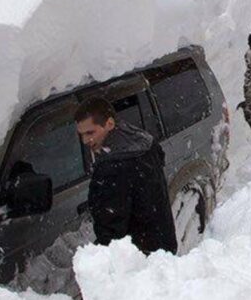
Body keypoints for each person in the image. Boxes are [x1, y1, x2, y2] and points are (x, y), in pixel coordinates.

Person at [75, 97, 178, 255]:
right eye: (81, 134)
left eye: (90, 132)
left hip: (138, 256)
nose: (85, 140)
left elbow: (111, 229)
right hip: (162, 243)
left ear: (110, 124)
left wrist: (102, 257)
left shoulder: (112, 167)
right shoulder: (141, 139)